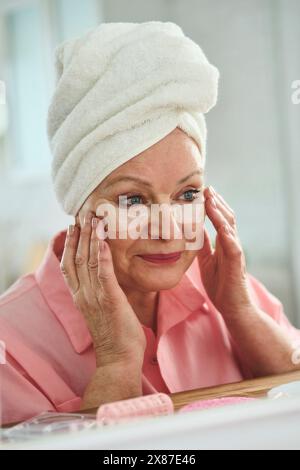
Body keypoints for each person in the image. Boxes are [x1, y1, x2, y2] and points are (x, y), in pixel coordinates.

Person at [1, 22, 299, 426]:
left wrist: (241, 312)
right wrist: (116, 362)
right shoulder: (11, 346)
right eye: (133, 200)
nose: (168, 229)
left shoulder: (227, 290)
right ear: (79, 206)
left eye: (187, 194)